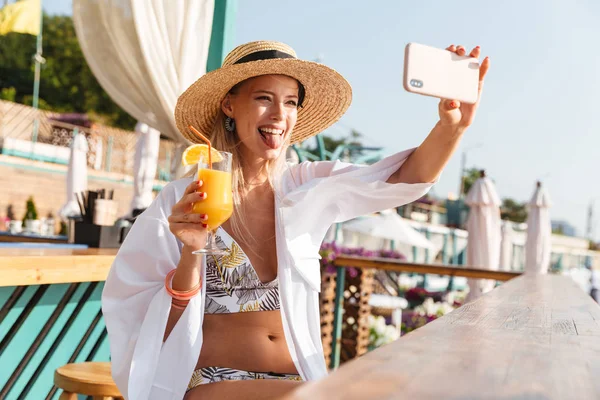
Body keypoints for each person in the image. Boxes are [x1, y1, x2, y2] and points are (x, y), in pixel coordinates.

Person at [102, 40, 490, 400]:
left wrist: (452, 128)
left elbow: (397, 182)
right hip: (210, 379)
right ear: (229, 105)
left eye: (290, 102)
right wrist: (190, 254)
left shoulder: (305, 186)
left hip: (298, 377)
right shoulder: (183, 198)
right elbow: (146, 320)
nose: (279, 115)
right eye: (264, 98)